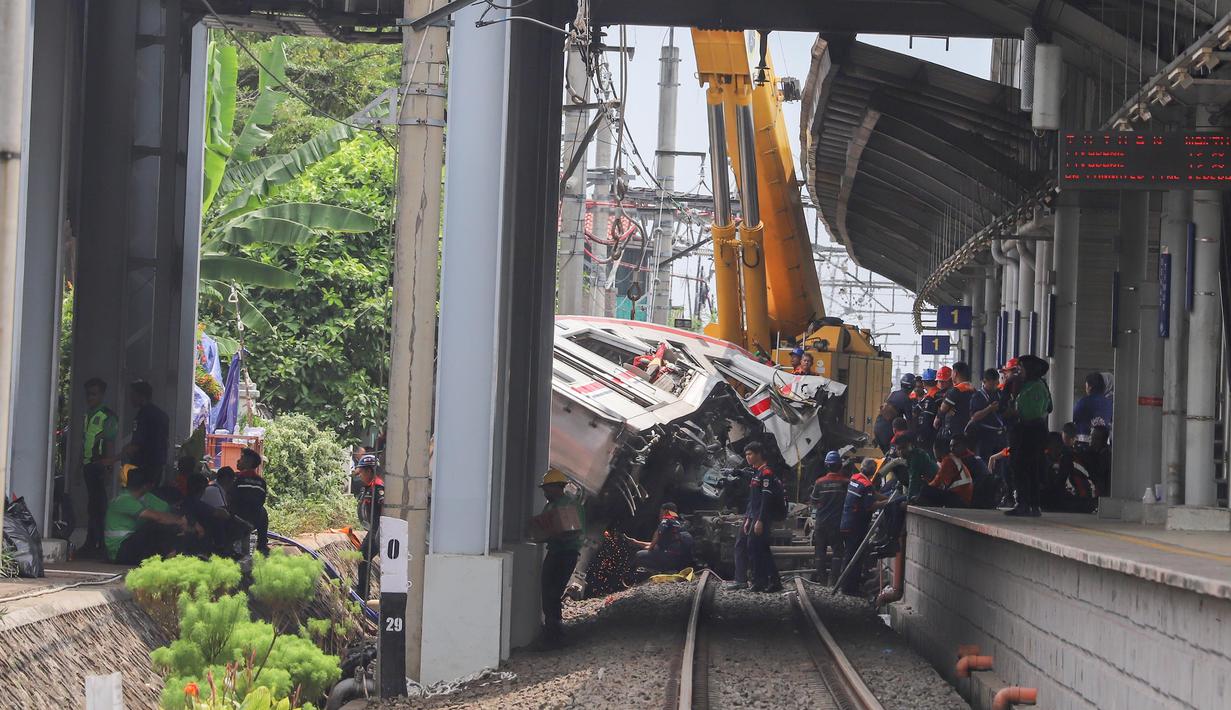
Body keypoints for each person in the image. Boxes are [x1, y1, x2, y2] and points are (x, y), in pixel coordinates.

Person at [535, 469, 585, 647]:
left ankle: (554, 634)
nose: (545, 492)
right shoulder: (551, 505)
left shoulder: (568, 505)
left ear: (557, 487)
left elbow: (571, 533)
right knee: (547, 590)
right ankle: (553, 630)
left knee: (553, 592)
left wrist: (548, 534)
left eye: (547, 489)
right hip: (555, 551)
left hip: (566, 554)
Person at [104, 466, 193, 564]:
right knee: (154, 525)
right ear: (146, 486)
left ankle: (172, 554)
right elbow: (158, 518)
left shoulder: (139, 499)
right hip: (119, 552)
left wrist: (180, 521)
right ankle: (169, 554)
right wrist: (180, 521)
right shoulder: (124, 500)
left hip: (127, 548)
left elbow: (163, 513)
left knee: (162, 524)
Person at [1006, 355, 1052, 517]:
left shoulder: (1037, 387)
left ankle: (1028, 504)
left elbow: (1035, 411)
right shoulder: (1025, 385)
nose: (1020, 372)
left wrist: (1016, 412)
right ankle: (1028, 503)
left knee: (1027, 467)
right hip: (1023, 431)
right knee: (1024, 468)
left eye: (1022, 369)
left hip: (1031, 431)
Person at [734, 441, 783, 593]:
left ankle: (759, 582)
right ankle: (773, 582)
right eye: (746, 455)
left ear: (758, 454)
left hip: (762, 517)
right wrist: (749, 518)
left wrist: (760, 520)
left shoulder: (766, 473)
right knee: (760, 549)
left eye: (750, 454)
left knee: (755, 548)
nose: (747, 457)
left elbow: (765, 500)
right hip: (754, 516)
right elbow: (753, 500)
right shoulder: (756, 473)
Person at [838, 458, 890, 596]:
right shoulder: (866, 484)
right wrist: (888, 503)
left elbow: (873, 494)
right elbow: (870, 506)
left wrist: (888, 498)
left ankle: (848, 583)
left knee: (850, 555)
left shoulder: (855, 479)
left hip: (846, 523)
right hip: (856, 526)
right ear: (873, 470)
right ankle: (849, 588)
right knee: (854, 556)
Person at [80, 378, 119, 556]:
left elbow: (109, 441)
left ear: (102, 395)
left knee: (99, 507)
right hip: (89, 465)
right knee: (93, 506)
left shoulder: (106, 416)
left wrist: (108, 466)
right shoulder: (89, 414)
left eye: (94, 394)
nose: (90, 398)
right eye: (88, 394)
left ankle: (100, 545)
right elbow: (86, 441)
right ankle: (93, 542)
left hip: (99, 465)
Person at [182, 472, 252, 557]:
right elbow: (221, 513)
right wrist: (239, 521)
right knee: (219, 520)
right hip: (197, 539)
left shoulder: (186, 501)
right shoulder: (195, 502)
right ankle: (222, 549)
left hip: (191, 537)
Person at [809, 451, 850, 585]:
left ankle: (822, 581)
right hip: (837, 524)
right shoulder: (845, 483)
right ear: (840, 466)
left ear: (827, 466)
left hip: (821, 523)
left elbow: (813, 502)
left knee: (820, 551)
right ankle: (833, 582)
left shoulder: (819, 482)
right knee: (838, 552)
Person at [122, 380, 169, 483]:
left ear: (141, 396)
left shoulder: (143, 416)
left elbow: (137, 444)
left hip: (143, 465)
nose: (130, 398)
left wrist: (117, 457)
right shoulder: (161, 415)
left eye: (133, 395)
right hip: (157, 465)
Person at [626, 502, 693, 572]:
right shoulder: (677, 523)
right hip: (679, 560)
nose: (659, 515)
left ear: (666, 512)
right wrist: (636, 542)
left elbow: (656, 539)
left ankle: (659, 571)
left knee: (639, 555)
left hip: (670, 559)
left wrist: (649, 547)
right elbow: (655, 544)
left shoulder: (666, 521)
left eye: (661, 512)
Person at [1042, 432, 1098, 513]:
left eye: (1054, 448)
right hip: (1075, 499)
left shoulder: (1070, 460)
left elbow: (1060, 484)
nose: (1050, 452)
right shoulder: (1052, 461)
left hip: (1082, 500)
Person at [353, 454, 385, 596]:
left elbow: (385, 509)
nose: (360, 476)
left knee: (363, 556)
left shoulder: (378, 488)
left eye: (362, 472)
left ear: (370, 471)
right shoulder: (367, 487)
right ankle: (362, 591)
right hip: (372, 529)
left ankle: (362, 594)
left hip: (379, 530)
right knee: (362, 557)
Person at [230, 448, 269, 554]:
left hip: (237, 519)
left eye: (241, 458)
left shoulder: (236, 478)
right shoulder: (261, 482)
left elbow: (230, 497)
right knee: (263, 511)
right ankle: (262, 545)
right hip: (255, 520)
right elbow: (261, 501)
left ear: (248, 462)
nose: (238, 461)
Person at [917, 437, 973, 508]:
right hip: (962, 498)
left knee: (925, 490)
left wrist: (920, 494)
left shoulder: (948, 460)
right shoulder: (952, 458)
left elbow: (936, 482)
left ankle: (913, 502)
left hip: (959, 499)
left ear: (937, 450)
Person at [968, 368, 1008, 462]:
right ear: (985, 381)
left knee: (1002, 462)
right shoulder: (978, 396)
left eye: (997, 382)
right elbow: (974, 417)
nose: (996, 385)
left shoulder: (1000, 394)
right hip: (984, 436)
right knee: (985, 463)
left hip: (1000, 436)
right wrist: (989, 409)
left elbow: (1005, 411)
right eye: (992, 383)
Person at [876, 374, 916, 453]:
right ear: (912, 387)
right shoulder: (906, 399)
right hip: (888, 430)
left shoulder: (893, 393)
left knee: (888, 456)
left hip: (878, 427)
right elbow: (909, 421)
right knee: (894, 455)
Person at [936, 362, 975, 442]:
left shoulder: (955, 390)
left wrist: (937, 418)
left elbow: (943, 409)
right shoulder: (973, 389)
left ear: (955, 373)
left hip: (955, 433)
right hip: (970, 430)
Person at [892, 432, 938, 500]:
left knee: (896, 504)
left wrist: (909, 500)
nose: (901, 451)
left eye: (904, 447)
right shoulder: (910, 457)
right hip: (926, 488)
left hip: (933, 489)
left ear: (911, 445)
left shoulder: (916, 457)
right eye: (899, 449)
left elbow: (914, 479)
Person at [1072, 372, 1114, 440]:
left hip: (1085, 441)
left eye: (1086, 385)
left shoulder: (1084, 401)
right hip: (1103, 442)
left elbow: (1071, 417)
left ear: (1090, 387)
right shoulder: (1109, 403)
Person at [1077, 425, 1112, 497]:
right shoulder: (1091, 453)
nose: (1092, 440)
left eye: (1096, 438)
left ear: (1104, 441)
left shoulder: (1106, 456)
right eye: (1091, 436)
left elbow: (1097, 475)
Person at [914, 369, 941, 448]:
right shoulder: (941, 394)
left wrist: (922, 437)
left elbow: (926, 420)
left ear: (923, 383)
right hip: (938, 434)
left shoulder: (930, 398)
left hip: (930, 438)